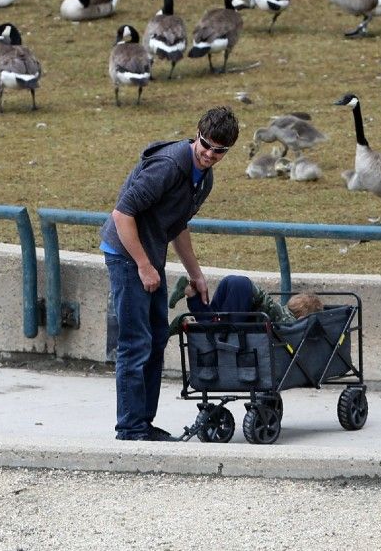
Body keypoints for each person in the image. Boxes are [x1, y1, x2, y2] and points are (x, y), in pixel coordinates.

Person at [100, 106, 240, 441]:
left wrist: (197, 274)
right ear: (197, 133)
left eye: (219, 150)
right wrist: (144, 266)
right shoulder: (168, 166)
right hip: (126, 255)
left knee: (157, 337)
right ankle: (130, 428)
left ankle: (143, 422)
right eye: (205, 144)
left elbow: (178, 227)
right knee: (135, 343)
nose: (209, 154)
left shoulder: (203, 179)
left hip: (149, 257)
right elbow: (122, 215)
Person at [168, 275, 324, 332]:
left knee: (213, 315)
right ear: (304, 316)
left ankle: (189, 290)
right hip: (242, 289)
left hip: (232, 281)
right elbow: (298, 326)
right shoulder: (287, 321)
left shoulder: (280, 310)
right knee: (225, 328)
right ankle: (189, 325)